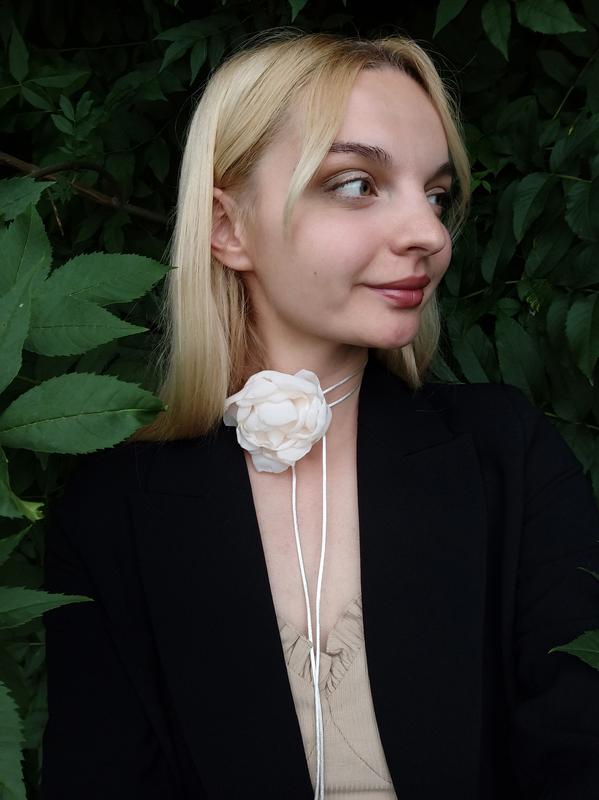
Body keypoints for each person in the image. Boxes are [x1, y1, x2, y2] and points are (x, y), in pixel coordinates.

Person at [41, 30, 599, 800]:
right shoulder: (110, 510)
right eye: (356, 183)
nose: (429, 234)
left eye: (436, 194)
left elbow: (579, 745)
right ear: (228, 228)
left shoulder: (507, 452)